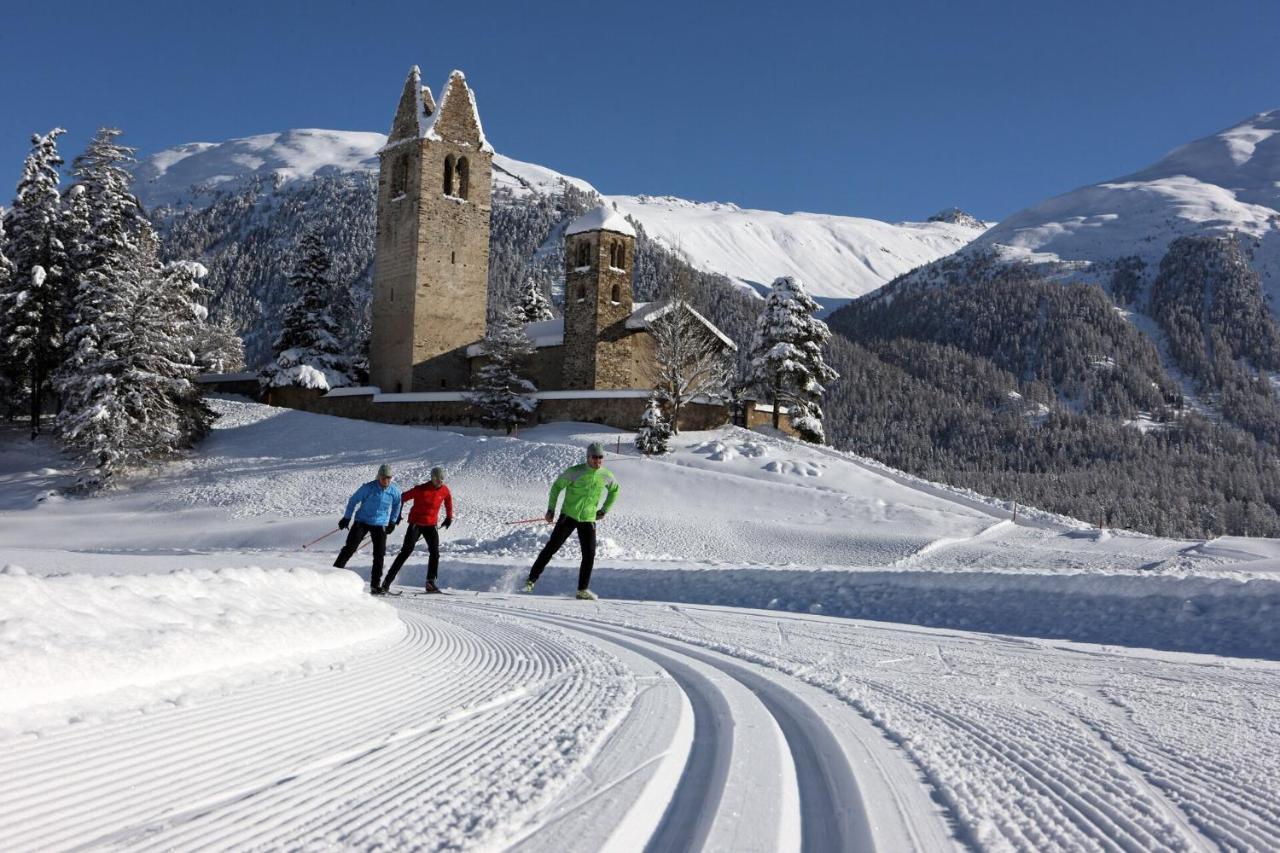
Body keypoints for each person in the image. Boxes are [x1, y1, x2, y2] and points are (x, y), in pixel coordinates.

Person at [524, 442, 619, 600]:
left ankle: (582, 590)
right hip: (569, 516)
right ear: (588, 457)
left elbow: (615, 491)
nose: (598, 460)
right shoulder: (575, 472)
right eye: (594, 457)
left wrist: (604, 510)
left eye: (600, 457)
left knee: (589, 555)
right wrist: (551, 509)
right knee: (551, 548)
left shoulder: (606, 475)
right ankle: (531, 580)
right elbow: (556, 487)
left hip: (588, 519)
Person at [334, 463, 403, 595]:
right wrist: (347, 518)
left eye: (388, 478)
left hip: (380, 524)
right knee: (350, 548)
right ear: (378, 477)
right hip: (362, 521)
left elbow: (397, 505)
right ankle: (333, 574)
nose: (386, 481)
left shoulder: (394, 491)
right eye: (383, 478)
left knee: (379, 555)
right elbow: (353, 500)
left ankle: (375, 585)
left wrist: (392, 522)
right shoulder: (368, 488)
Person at [384, 466, 454, 594]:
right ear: (432, 478)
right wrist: (398, 514)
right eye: (438, 479)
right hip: (416, 524)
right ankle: (386, 583)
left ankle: (430, 582)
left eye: (442, 479)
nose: (440, 481)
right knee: (406, 551)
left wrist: (449, 517)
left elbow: (448, 500)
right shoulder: (420, 490)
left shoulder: (444, 490)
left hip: (431, 525)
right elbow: (401, 498)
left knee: (435, 552)